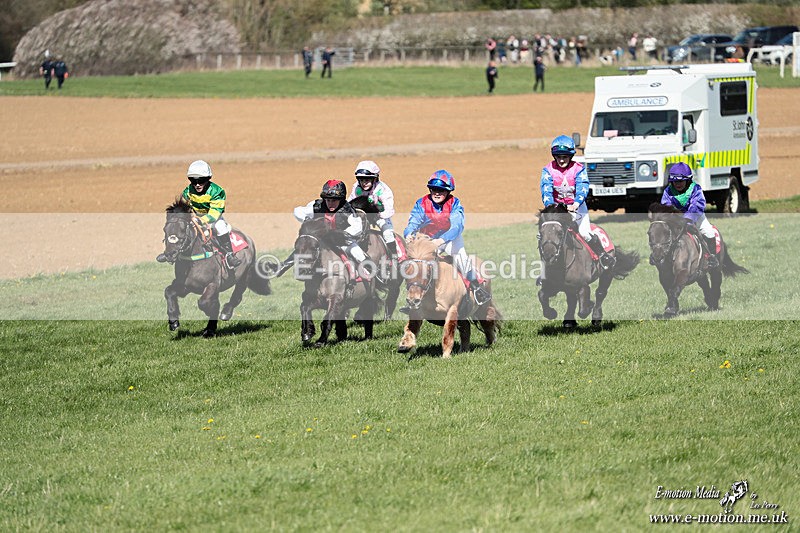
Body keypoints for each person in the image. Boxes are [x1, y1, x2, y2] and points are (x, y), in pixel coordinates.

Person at [404, 170, 491, 305]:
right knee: (417, 264)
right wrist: (409, 233)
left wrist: (441, 240)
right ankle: (413, 297)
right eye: (434, 189)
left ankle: (477, 288)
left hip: (450, 239)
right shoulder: (421, 203)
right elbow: (413, 221)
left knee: (461, 259)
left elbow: (457, 226)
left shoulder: (455, 204)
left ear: (448, 191)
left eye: (441, 190)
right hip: (428, 241)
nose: (437, 193)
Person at [540, 135, 615, 270]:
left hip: (577, 208)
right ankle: (545, 272)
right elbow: (546, 192)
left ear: (571, 156)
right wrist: (552, 208)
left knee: (585, 233)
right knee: (546, 236)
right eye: (558, 156)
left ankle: (603, 256)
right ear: (554, 156)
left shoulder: (579, 169)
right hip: (558, 212)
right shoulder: (548, 171)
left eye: (565, 157)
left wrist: (575, 204)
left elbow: (583, 188)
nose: (561, 160)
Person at [156, 160, 241, 269]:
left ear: (208, 179)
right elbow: (184, 207)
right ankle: (169, 253)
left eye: (201, 180)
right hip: (194, 218)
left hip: (213, 220)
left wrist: (201, 220)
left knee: (220, 227)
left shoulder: (217, 191)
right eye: (193, 180)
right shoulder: (188, 191)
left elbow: (215, 212)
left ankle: (230, 255)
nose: (197, 184)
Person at [289, 179, 374, 279]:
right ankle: (284, 266)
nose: (330, 203)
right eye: (328, 200)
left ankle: (373, 273)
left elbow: (357, 227)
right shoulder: (318, 205)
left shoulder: (347, 210)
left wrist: (343, 234)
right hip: (323, 241)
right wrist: (307, 220)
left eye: (334, 200)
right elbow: (298, 211)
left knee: (356, 252)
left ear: (341, 199)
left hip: (343, 241)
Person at [660, 162, 719, 268]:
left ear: (687, 180)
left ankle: (712, 257)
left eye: (680, 181)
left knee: (709, 232)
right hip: (676, 220)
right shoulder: (668, 191)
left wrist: (688, 219)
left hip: (695, 216)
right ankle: (658, 256)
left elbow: (697, 205)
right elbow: (666, 207)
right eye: (674, 181)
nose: (677, 184)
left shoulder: (695, 189)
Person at [347, 160, 398, 260]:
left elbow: (389, 209)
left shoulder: (383, 189)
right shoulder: (356, 187)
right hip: (361, 216)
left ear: (375, 179)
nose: (363, 183)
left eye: (367, 180)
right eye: (361, 180)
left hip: (379, 215)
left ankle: (395, 257)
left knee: (388, 234)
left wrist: (379, 215)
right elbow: (350, 202)